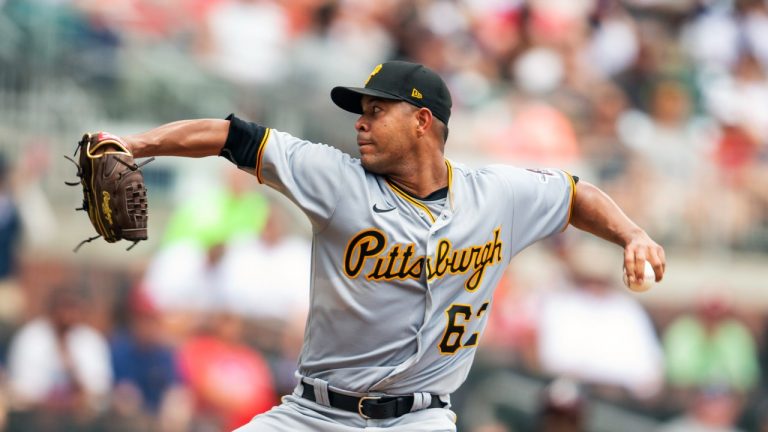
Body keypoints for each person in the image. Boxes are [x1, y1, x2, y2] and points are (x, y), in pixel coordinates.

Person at [106, 60, 665, 431]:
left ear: (422, 120)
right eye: (361, 112)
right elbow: (232, 136)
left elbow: (575, 195)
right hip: (314, 414)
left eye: (376, 111)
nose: (361, 123)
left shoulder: (497, 196)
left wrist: (632, 234)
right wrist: (133, 143)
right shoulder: (335, 179)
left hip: (419, 420)